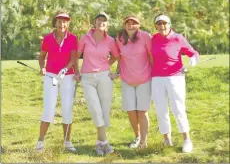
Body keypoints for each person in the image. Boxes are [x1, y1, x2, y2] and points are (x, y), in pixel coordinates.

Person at [151, 13, 199, 153]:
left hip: (175, 77)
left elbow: (193, 53)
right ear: (155, 26)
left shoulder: (178, 38)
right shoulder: (153, 39)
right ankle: (167, 139)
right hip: (157, 79)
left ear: (169, 24)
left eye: (164, 23)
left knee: (178, 109)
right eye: (159, 24)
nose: (162, 26)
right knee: (161, 110)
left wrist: (193, 60)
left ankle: (186, 139)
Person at [74, 12, 120, 155]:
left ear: (107, 24)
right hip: (87, 78)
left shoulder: (111, 40)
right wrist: (76, 71)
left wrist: (114, 72)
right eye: (99, 20)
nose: (101, 22)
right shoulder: (84, 38)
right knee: (95, 108)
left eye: (104, 21)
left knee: (105, 110)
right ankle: (105, 142)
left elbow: (117, 56)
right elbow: (76, 55)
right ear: (94, 23)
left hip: (104, 77)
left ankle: (99, 144)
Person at [36, 10, 77, 153]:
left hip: (67, 77)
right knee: (49, 108)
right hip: (51, 77)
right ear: (55, 22)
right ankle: (40, 142)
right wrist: (42, 68)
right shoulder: (48, 38)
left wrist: (66, 69)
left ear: (68, 23)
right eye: (59, 21)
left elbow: (73, 58)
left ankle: (67, 142)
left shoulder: (72, 38)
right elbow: (42, 56)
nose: (62, 24)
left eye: (65, 21)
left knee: (67, 108)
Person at [111, 15, 153, 149]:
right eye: (128, 23)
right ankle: (137, 136)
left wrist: (156, 74)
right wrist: (116, 72)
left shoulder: (145, 36)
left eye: (134, 23)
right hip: (127, 79)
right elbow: (118, 57)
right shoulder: (120, 38)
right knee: (131, 111)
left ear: (138, 25)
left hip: (144, 79)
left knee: (142, 111)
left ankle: (143, 141)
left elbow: (152, 56)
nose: (130, 25)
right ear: (124, 25)